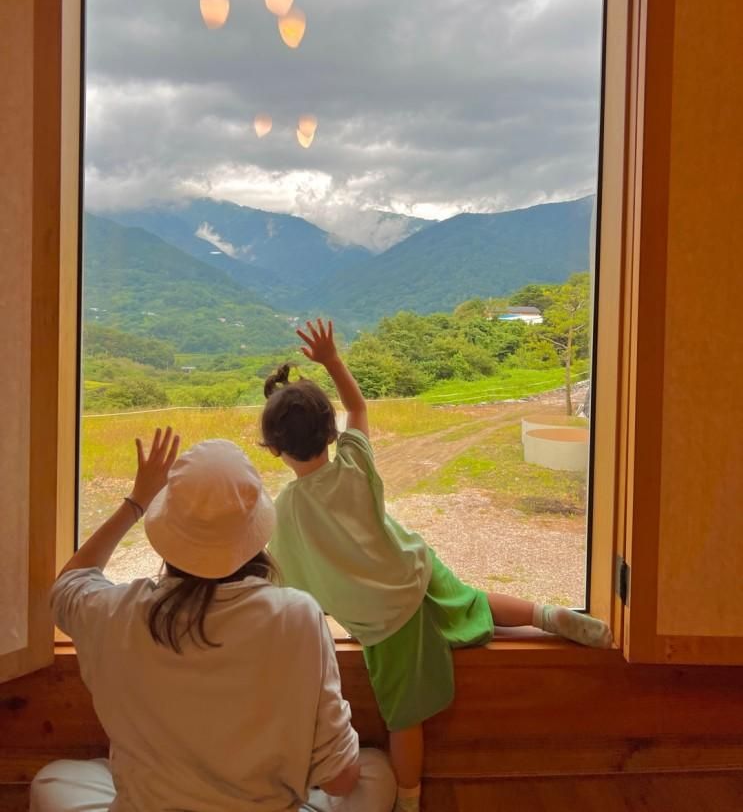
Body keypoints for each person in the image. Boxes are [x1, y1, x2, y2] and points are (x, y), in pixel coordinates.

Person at [264, 320, 612, 812]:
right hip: (415, 567)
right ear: (330, 432)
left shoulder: (283, 513)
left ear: (273, 448)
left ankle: (409, 801)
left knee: (404, 718)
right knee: (473, 601)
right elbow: (359, 407)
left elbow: (289, 588)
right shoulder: (354, 464)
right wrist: (332, 360)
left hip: (384, 624)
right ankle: (549, 616)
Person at [31, 427, 396, 812]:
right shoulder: (297, 616)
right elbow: (339, 780)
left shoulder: (116, 611)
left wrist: (136, 502)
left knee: (53, 780)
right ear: (256, 531)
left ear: (167, 529)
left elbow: (69, 583)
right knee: (377, 772)